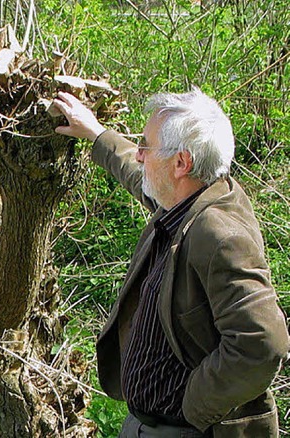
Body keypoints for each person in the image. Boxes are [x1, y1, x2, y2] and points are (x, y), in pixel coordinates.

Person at [52, 89, 289, 437]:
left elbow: (263, 343)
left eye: (146, 146)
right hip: (147, 423)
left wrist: (193, 407)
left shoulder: (220, 235)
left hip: (181, 429)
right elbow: (136, 174)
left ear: (181, 163)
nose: (140, 155)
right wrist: (96, 134)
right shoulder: (187, 199)